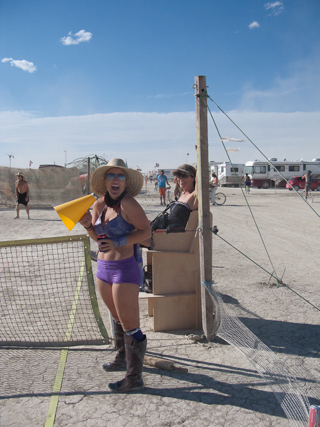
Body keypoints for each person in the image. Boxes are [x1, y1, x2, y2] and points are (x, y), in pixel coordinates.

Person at [79, 158, 151, 393]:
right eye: (111, 176)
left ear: (126, 182)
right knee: (117, 317)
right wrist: (89, 226)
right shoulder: (99, 204)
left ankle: (134, 378)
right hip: (103, 269)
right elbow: (99, 241)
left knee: (131, 325)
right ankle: (122, 357)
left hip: (124, 270)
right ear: (105, 181)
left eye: (120, 176)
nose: (116, 180)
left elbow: (146, 232)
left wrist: (119, 241)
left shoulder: (129, 204)